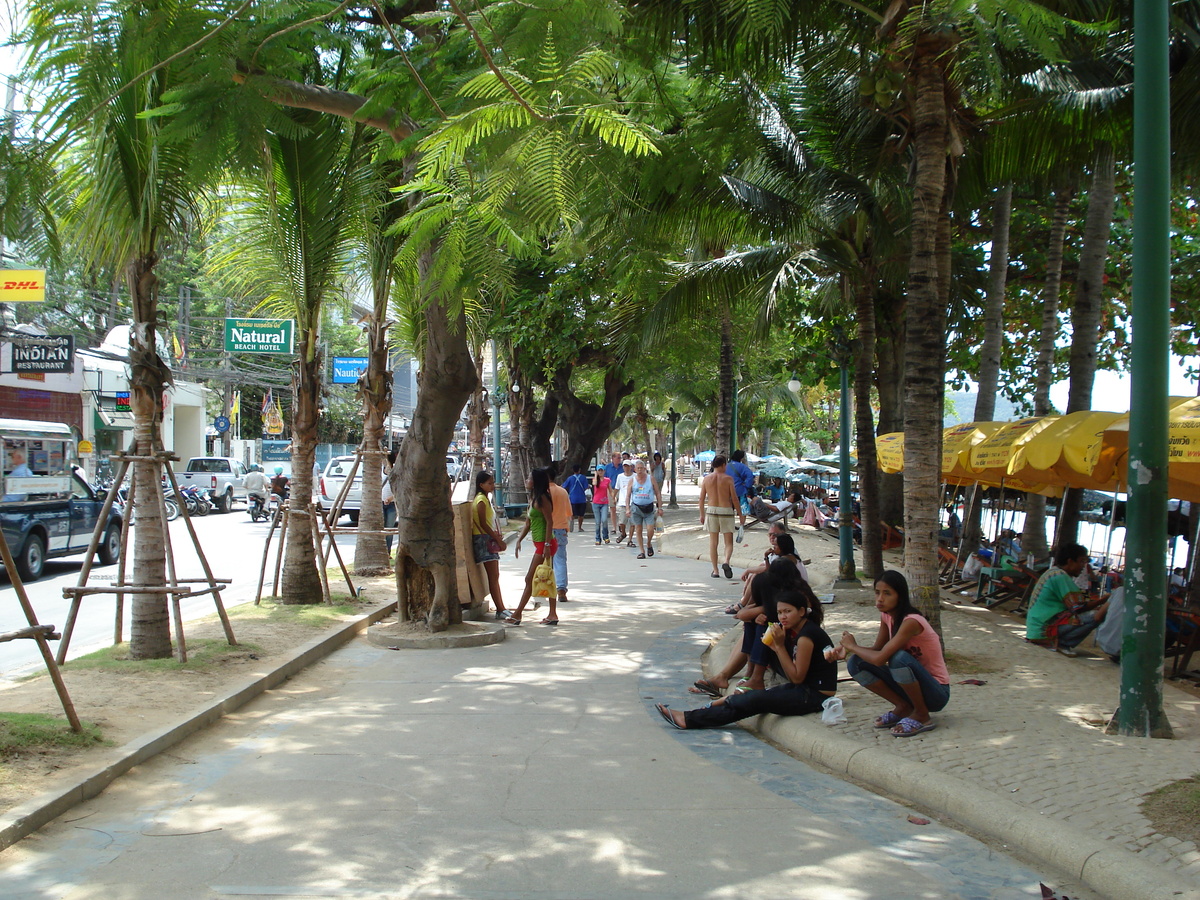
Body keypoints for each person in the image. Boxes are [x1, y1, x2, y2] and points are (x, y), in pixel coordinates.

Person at [657, 586, 837, 730]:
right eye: (780, 612)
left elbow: (797, 678)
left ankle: (689, 720)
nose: (783, 617)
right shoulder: (797, 630)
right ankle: (695, 713)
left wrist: (779, 647)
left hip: (814, 695)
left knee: (752, 701)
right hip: (803, 689)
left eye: (788, 611)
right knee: (748, 695)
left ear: (802, 611)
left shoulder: (806, 636)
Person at [836, 570, 950, 737]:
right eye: (877, 592)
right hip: (912, 686)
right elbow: (877, 650)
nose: (880, 598)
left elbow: (880, 659)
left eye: (887, 593)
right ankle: (903, 706)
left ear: (900, 596)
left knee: (898, 658)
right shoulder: (887, 616)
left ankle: (922, 714)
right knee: (855, 662)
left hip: (936, 692)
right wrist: (847, 649)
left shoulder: (911, 621)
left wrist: (853, 646)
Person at [1025, 542, 1108, 656]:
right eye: (1082, 561)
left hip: (1037, 627)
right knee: (1097, 615)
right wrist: (1106, 600)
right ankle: (1063, 643)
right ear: (1070, 561)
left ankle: (1062, 642)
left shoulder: (1053, 572)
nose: (1084, 566)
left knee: (1095, 612)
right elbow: (1079, 608)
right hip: (1044, 629)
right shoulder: (1060, 576)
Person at [504, 468, 559, 626]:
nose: (527, 480)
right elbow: (528, 522)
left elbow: (549, 522)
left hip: (545, 543)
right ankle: (552, 614)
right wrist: (519, 540)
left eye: (529, 478)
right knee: (546, 578)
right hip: (540, 543)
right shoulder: (534, 498)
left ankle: (517, 614)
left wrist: (547, 544)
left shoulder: (542, 498)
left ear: (536, 481)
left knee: (531, 578)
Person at [471, 471, 508, 620]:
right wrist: (497, 540)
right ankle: (500, 608)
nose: (492, 486)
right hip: (483, 539)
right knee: (493, 576)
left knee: (494, 576)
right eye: (489, 483)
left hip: (485, 537)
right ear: (481, 485)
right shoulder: (480, 500)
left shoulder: (484, 499)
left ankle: (501, 607)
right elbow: (483, 524)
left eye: (492, 482)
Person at [699, 454, 739, 579]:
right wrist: (740, 514)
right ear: (723, 465)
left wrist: (702, 514)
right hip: (726, 510)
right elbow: (734, 498)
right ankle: (726, 561)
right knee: (728, 542)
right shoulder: (728, 479)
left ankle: (715, 570)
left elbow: (701, 499)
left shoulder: (706, 479)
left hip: (711, 510)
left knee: (713, 542)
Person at [625, 458, 662, 559]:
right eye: (638, 468)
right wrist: (627, 508)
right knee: (638, 529)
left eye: (642, 468)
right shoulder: (632, 480)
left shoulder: (651, 479)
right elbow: (628, 495)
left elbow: (657, 493)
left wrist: (660, 507)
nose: (640, 470)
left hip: (649, 508)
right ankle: (642, 551)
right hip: (636, 508)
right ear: (635, 470)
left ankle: (649, 544)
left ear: (645, 468)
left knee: (650, 529)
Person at [547, 464, 571, 605]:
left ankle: (546, 588)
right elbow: (569, 513)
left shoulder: (543, 492)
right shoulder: (562, 492)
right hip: (561, 528)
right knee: (560, 560)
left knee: (545, 560)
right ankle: (561, 590)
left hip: (546, 530)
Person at [727, 449, 755, 540]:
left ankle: (730, 525)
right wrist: (746, 486)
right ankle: (741, 525)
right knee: (742, 509)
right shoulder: (742, 467)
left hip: (728, 491)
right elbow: (750, 476)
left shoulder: (726, 466)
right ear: (741, 458)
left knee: (730, 508)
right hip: (740, 490)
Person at [613, 459, 635, 545]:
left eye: (627, 466)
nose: (626, 468)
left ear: (631, 467)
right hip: (622, 502)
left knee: (633, 523)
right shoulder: (620, 476)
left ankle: (630, 540)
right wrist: (613, 497)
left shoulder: (635, 476)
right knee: (621, 522)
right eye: (624, 466)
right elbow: (617, 488)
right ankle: (623, 534)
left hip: (633, 502)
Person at [563, 465, 590, 533]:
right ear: (579, 470)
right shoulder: (583, 478)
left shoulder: (570, 478)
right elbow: (586, 487)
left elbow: (564, 486)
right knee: (581, 514)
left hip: (572, 499)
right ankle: (579, 527)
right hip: (582, 498)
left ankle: (571, 525)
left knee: (572, 514)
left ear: (573, 470)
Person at [382, 449, 398, 553]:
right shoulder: (380, 470)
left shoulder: (395, 471)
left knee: (389, 528)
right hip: (380, 502)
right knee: (381, 528)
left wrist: (390, 498)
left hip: (392, 504)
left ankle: (387, 552)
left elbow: (399, 488)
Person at [591, 465, 611, 544]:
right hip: (596, 503)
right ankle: (597, 538)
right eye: (599, 470)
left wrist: (613, 497)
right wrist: (596, 475)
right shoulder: (595, 479)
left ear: (604, 471)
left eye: (602, 470)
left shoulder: (607, 480)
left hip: (604, 503)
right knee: (598, 522)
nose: (600, 472)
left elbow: (610, 489)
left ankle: (605, 536)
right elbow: (594, 483)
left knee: (604, 520)